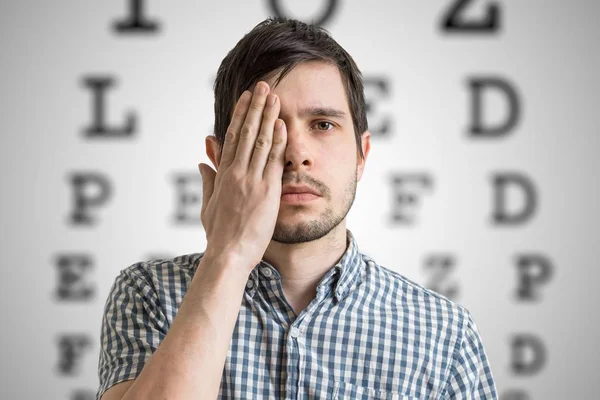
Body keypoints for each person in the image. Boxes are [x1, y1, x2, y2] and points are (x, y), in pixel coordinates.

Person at [96, 16, 498, 400]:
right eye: (269, 129)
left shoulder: (445, 334)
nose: (297, 154)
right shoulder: (150, 294)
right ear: (221, 158)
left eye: (323, 124)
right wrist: (228, 255)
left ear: (362, 154)